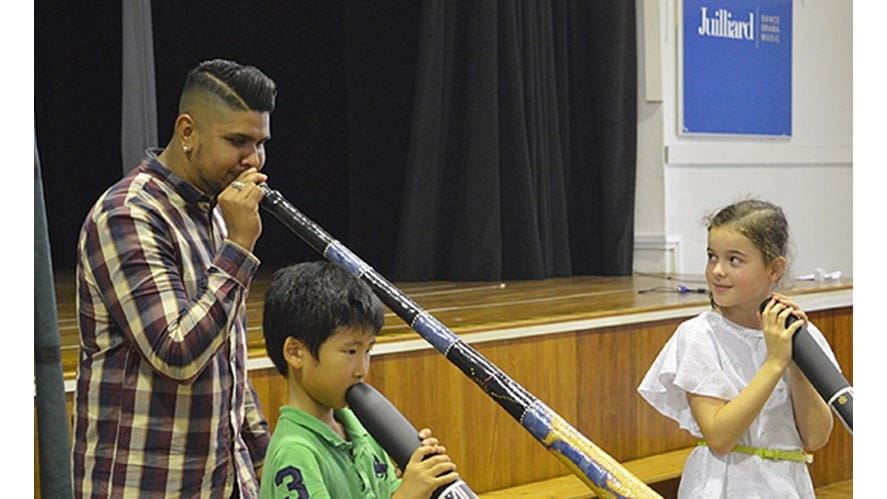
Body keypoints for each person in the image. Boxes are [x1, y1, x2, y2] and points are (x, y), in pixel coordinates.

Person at [73, 59, 276, 498]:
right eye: (238, 141)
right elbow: (178, 352)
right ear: (187, 132)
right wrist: (240, 247)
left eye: (260, 143)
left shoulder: (217, 215)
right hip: (145, 486)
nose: (252, 160)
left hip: (220, 481)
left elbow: (229, 367)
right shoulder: (127, 214)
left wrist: (267, 465)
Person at [637, 199, 840, 498]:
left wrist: (797, 361)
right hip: (721, 485)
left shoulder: (800, 335)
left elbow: (816, 436)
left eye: (734, 260)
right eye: (711, 257)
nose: (717, 270)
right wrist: (774, 364)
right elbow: (719, 436)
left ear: (774, 268)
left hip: (785, 486)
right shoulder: (699, 336)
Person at [260, 261, 461, 498]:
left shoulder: (361, 428)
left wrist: (421, 478)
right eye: (350, 352)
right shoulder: (294, 452)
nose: (362, 370)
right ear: (295, 352)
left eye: (368, 351)